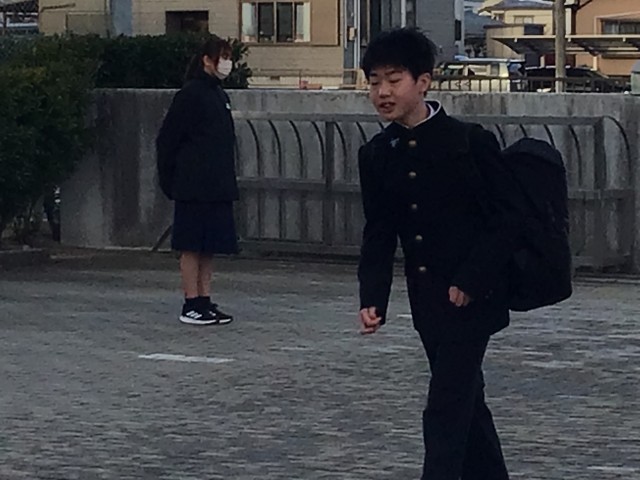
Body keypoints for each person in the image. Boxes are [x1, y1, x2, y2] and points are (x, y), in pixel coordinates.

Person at [357, 28, 524, 480]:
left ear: (424, 82)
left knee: (446, 407)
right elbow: (379, 230)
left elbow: (507, 218)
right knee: (468, 404)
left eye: (394, 79)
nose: (383, 92)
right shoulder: (378, 154)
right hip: (427, 301)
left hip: (475, 298)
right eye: (374, 81)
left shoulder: (469, 142)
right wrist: (372, 297)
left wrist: (472, 279)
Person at [156, 36, 238, 326]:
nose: (227, 63)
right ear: (206, 60)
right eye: (222, 57)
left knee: (209, 245)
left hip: (217, 184)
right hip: (193, 184)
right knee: (191, 244)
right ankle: (191, 302)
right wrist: (170, 179)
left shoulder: (219, 94)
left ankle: (204, 299)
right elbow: (168, 140)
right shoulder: (190, 94)